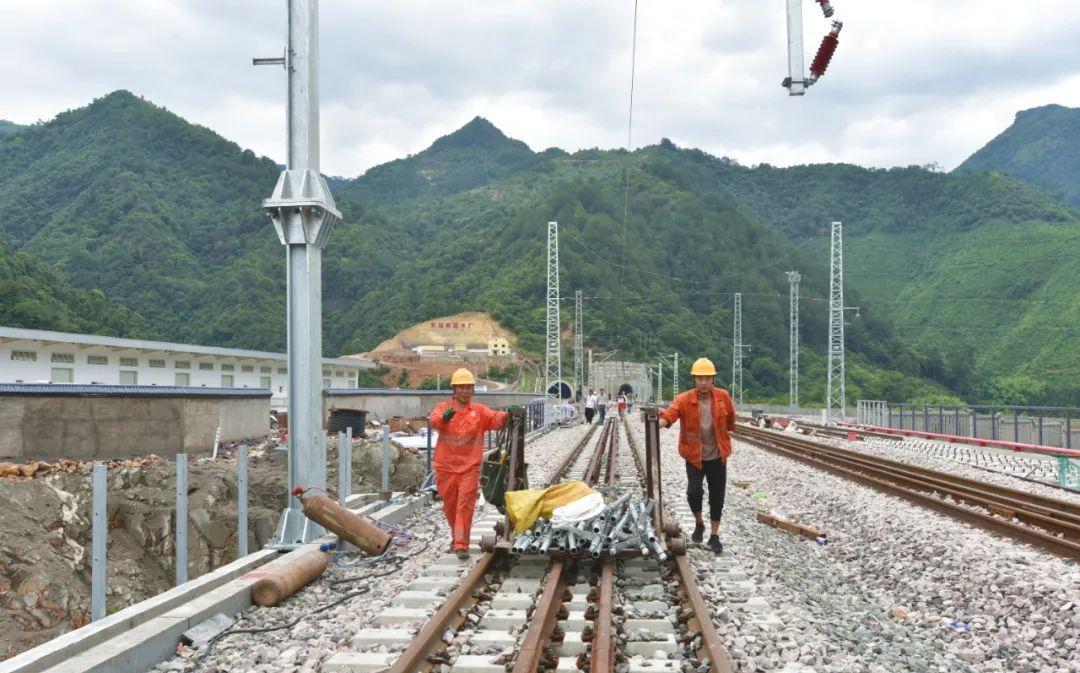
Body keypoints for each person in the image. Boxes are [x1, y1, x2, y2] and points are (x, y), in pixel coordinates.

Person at [429, 368, 509, 559]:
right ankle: (456, 536)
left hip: (469, 468)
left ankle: (461, 544)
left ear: (472, 390)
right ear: (454, 389)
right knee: (450, 506)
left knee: (464, 505)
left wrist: (508, 414)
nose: (465, 391)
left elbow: (495, 420)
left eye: (468, 387)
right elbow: (434, 421)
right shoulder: (443, 408)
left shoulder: (479, 412)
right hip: (445, 467)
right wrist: (444, 418)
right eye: (461, 387)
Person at [658, 357, 735, 554]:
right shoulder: (685, 399)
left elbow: (731, 419)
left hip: (718, 456)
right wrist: (660, 422)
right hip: (694, 456)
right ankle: (699, 523)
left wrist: (726, 434)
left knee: (717, 496)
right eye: (699, 378)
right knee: (694, 492)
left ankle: (715, 535)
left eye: (707, 378)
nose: (703, 382)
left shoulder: (722, 397)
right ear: (694, 379)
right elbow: (670, 414)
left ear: (713, 379)